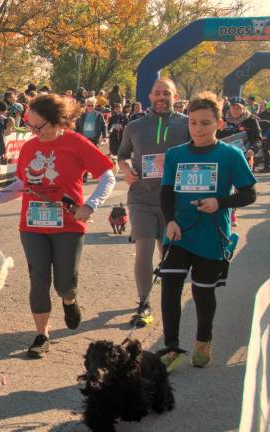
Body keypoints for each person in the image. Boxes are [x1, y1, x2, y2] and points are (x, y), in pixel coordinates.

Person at [0, 94, 116, 358]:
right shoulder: (30, 147)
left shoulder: (76, 143)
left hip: (69, 225)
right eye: (29, 125)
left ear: (56, 122)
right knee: (38, 280)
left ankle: (69, 300)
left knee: (64, 284)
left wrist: (91, 204)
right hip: (32, 224)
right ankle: (42, 334)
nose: (32, 131)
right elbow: (21, 185)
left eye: (37, 127)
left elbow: (107, 175)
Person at [157, 92, 256, 370]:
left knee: (202, 292)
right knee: (170, 289)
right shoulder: (176, 155)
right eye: (193, 123)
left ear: (219, 124)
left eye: (205, 123)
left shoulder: (230, 155)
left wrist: (220, 202)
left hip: (212, 236)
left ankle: (203, 340)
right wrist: (170, 222)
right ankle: (171, 347)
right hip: (178, 234)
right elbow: (166, 194)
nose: (198, 129)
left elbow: (249, 194)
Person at [117, 78, 190, 328]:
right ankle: (144, 303)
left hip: (174, 201)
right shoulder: (135, 126)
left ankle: (169, 301)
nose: (161, 97)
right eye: (157, 93)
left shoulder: (186, 124)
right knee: (144, 250)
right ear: (150, 96)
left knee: (167, 256)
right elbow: (122, 155)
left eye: (166, 93)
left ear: (175, 96)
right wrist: (126, 170)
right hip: (141, 198)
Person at [218, 97, 265, 172]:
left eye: (238, 108)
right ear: (229, 107)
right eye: (233, 107)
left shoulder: (251, 120)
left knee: (245, 182)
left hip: (245, 157)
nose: (235, 110)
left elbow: (258, 139)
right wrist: (218, 130)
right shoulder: (222, 120)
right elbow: (214, 139)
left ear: (243, 108)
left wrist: (253, 150)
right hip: (225, 157)